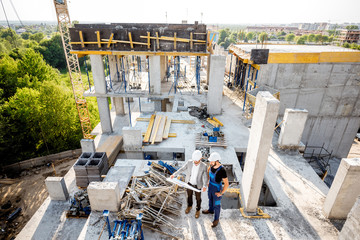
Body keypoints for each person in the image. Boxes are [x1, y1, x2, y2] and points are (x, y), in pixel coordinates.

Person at [170, 150, 208, 218]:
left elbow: (205, 176)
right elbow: (182, 169)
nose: (195, 162)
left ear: (200, 159)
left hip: (198, 185)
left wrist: (205, 185)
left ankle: (198, 210)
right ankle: (189, 206)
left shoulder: (203, 166)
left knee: (198, 198)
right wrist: (174, 174)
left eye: (197, 160)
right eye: (194, 160)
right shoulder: (189, 162)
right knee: (189, 196)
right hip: (189, 183)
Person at [202, 152, 229, 228]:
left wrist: (221, 193)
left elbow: (226, 184)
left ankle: (216, 219)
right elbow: (208, 171)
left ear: (217, 161)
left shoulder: (222, 170)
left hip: (217, 189)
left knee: (216, 204)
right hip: (210, 187)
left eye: (212, 161)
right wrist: (208, 181)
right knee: (210, 199)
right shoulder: (211, 165)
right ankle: (210, 210)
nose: (210, 162)